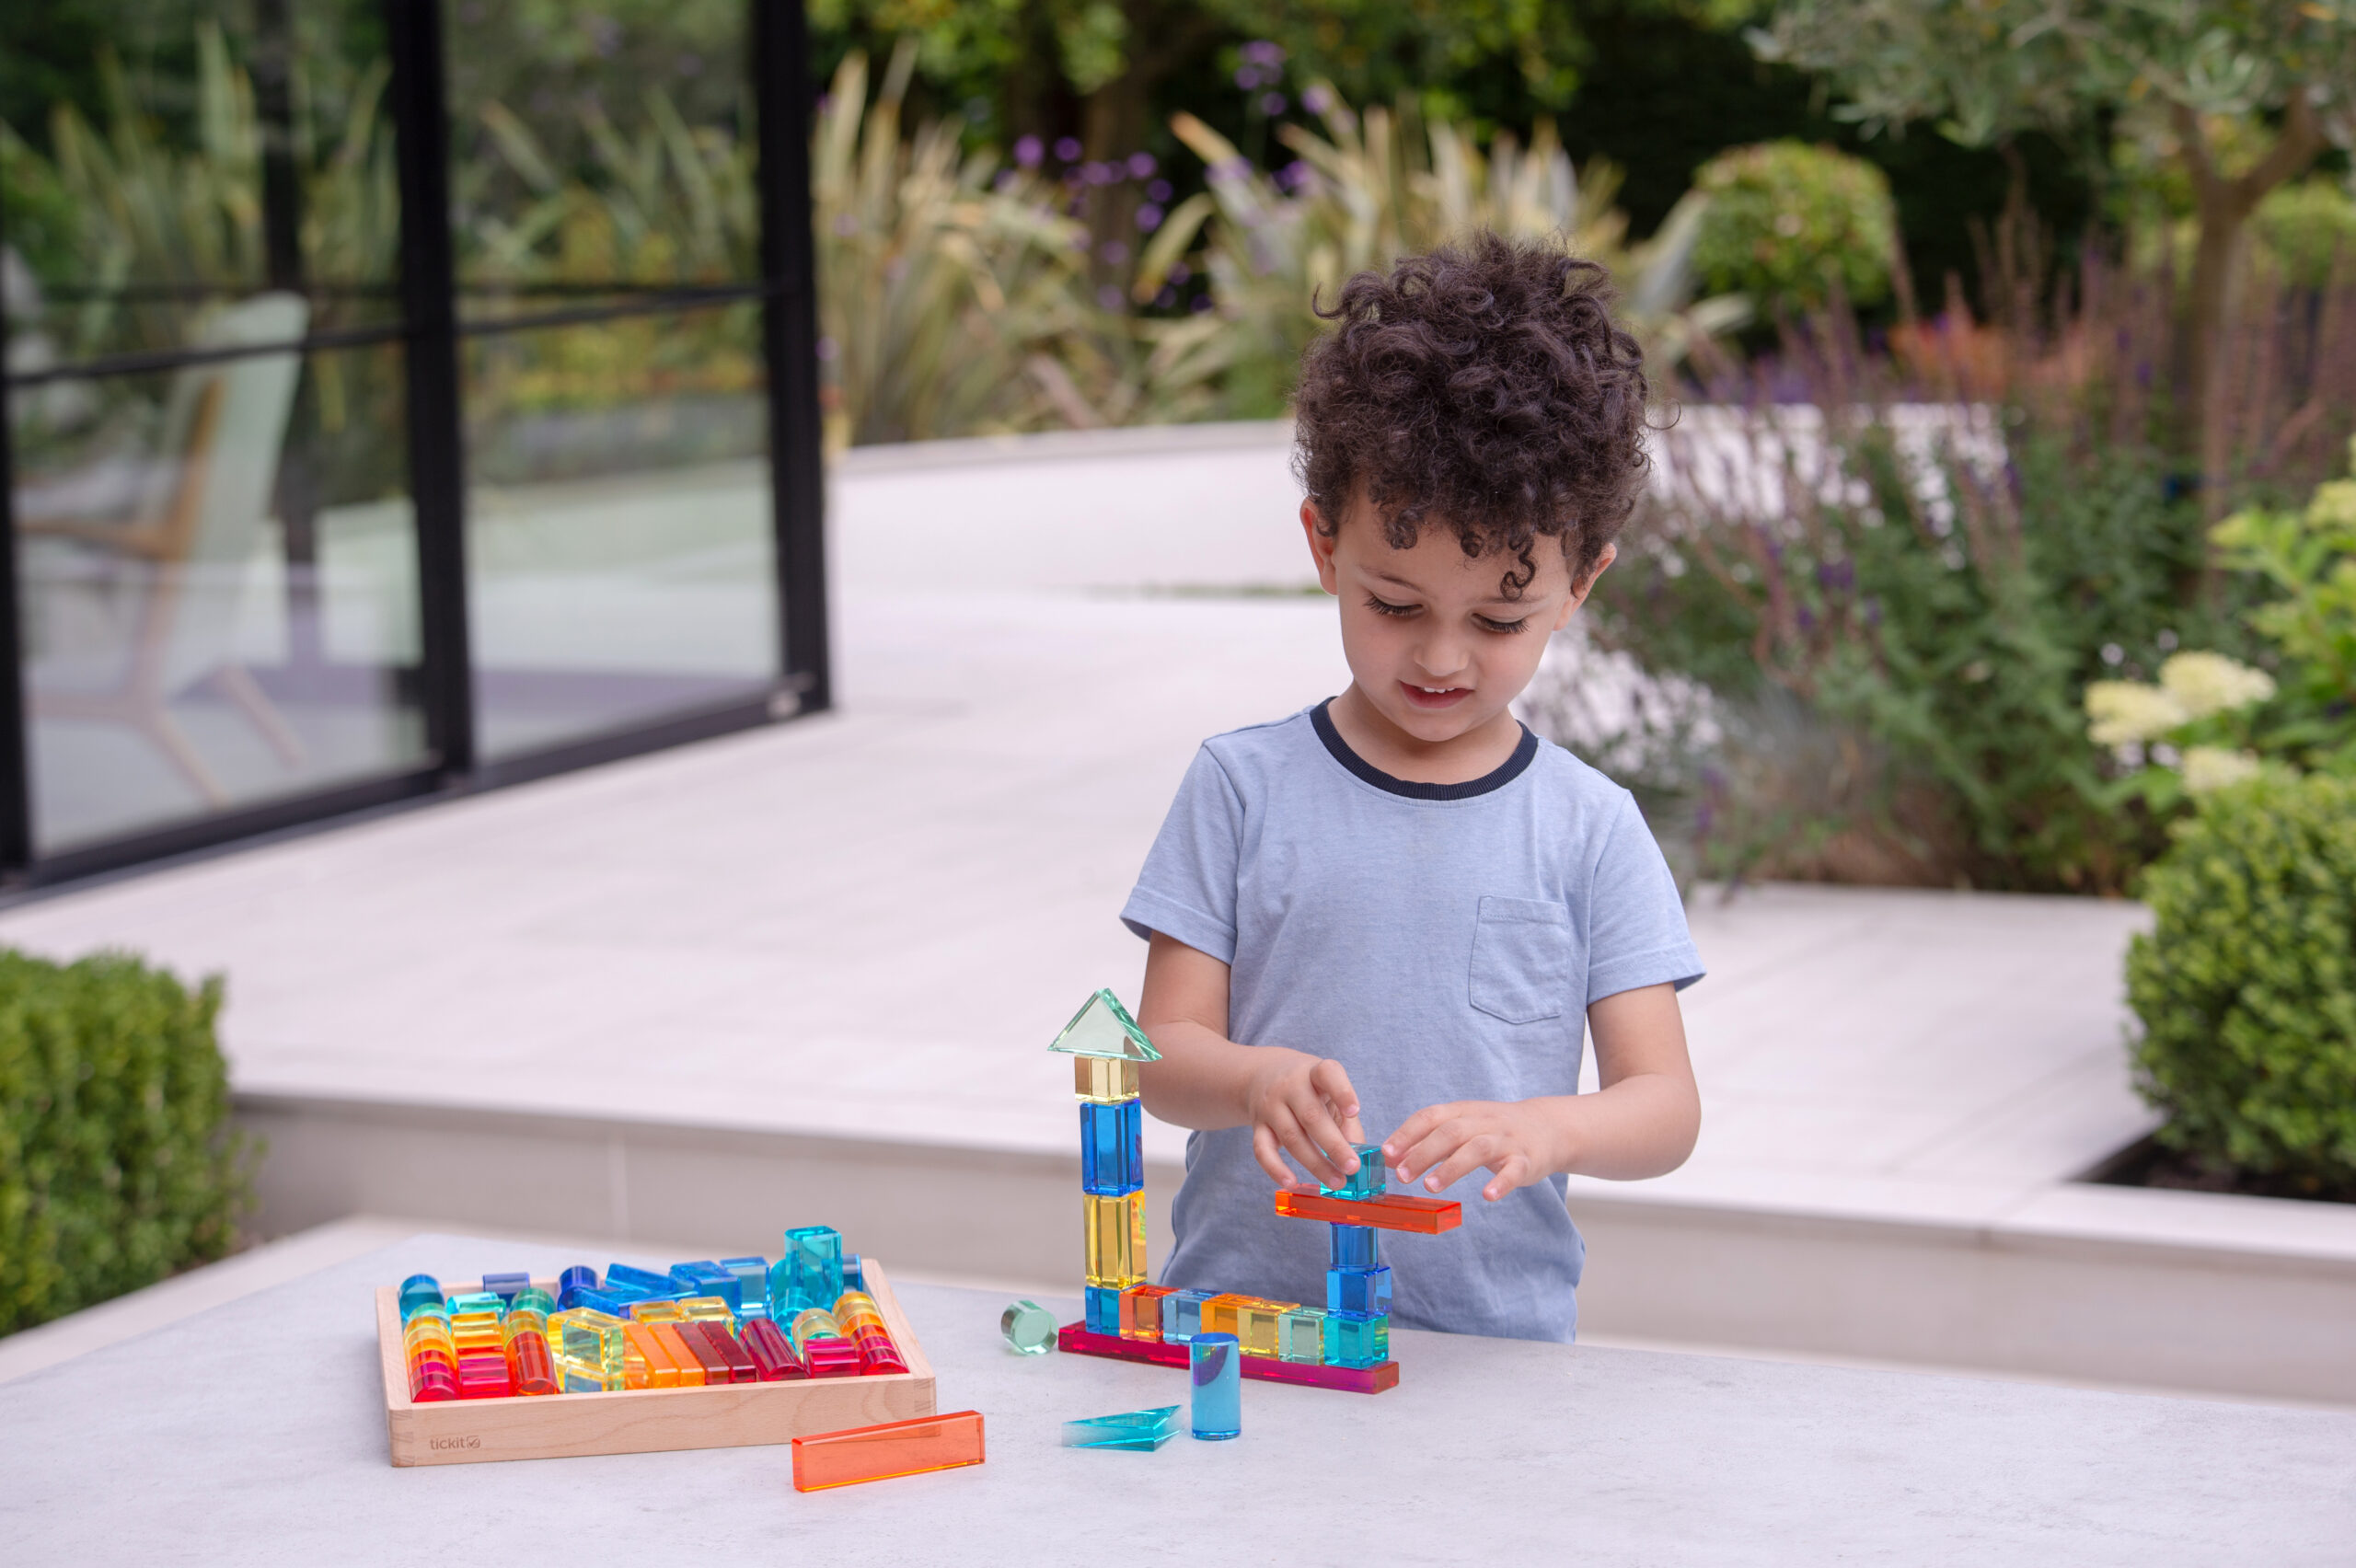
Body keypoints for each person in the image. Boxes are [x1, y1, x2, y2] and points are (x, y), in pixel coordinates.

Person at [1124, 233, 1703, 1343]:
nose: (1441, 658)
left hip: (1492, 1354)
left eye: (1498, 620)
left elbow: (1664, 1107)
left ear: (1579, 585)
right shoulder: (1240, 788)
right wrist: (1251, 1081)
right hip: (1245, 1338)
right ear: (1322, 545)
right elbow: (1162, 1056)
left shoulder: (1589, 828)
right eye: (1394, 605)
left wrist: (1550, 1130)